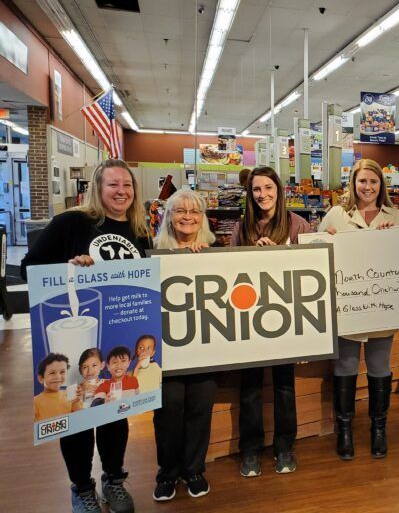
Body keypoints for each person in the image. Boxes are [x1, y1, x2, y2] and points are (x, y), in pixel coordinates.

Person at [21, 158, 150, 513]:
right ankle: (81, 487)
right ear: (98, 187)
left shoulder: (139, 228)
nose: (121, 191)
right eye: (113, 185)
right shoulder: (72, 222)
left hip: (120, 328)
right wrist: (68, 267)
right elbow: (27, 267)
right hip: (76, 332)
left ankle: (113, 480)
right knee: (77, 414)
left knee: (114, 410)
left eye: (127, 185)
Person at [317, 159, 399, 460]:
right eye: (362, 181)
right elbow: (317, 255)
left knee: (380, 368)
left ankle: (378, 428)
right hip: (348, 307)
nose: (367, 187)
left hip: (382, 307)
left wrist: (391, 240)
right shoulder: (337, 214)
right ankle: (344, 429)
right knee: (345, 368)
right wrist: (324, 240)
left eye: (373, 181)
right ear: (352, 183)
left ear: (381, 185)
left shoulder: (395, 216)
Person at [231, 167, 310, 477]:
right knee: (249, 386)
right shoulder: (242, 228)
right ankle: (249, 450)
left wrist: (280, 256)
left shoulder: (298, 225)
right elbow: (230, 272)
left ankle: (284, 446)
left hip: (285, 318)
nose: (262, 194)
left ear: (279, 189)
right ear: (250, 194)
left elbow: (309, 270)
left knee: (284, 386)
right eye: (256, 190)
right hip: (250, 318)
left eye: (268, 188)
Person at [152, 189, 217, 501]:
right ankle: (167, 473)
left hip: (205, 346)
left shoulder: (216, 250)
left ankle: (194, 470)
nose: (188, 217)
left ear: (202, 217)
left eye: (194, 211)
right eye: (180, 211)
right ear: (169, 216)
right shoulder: (152, 251)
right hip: (167, 350)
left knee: (200, 408)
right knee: (168, 409)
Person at [34, 353, 79, 420]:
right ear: (41, 378)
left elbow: (79, 419)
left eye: (62, 372)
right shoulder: (35, 402)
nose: (58, 377)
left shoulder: (71, 396)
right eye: (52, 373)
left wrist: (77, 401)